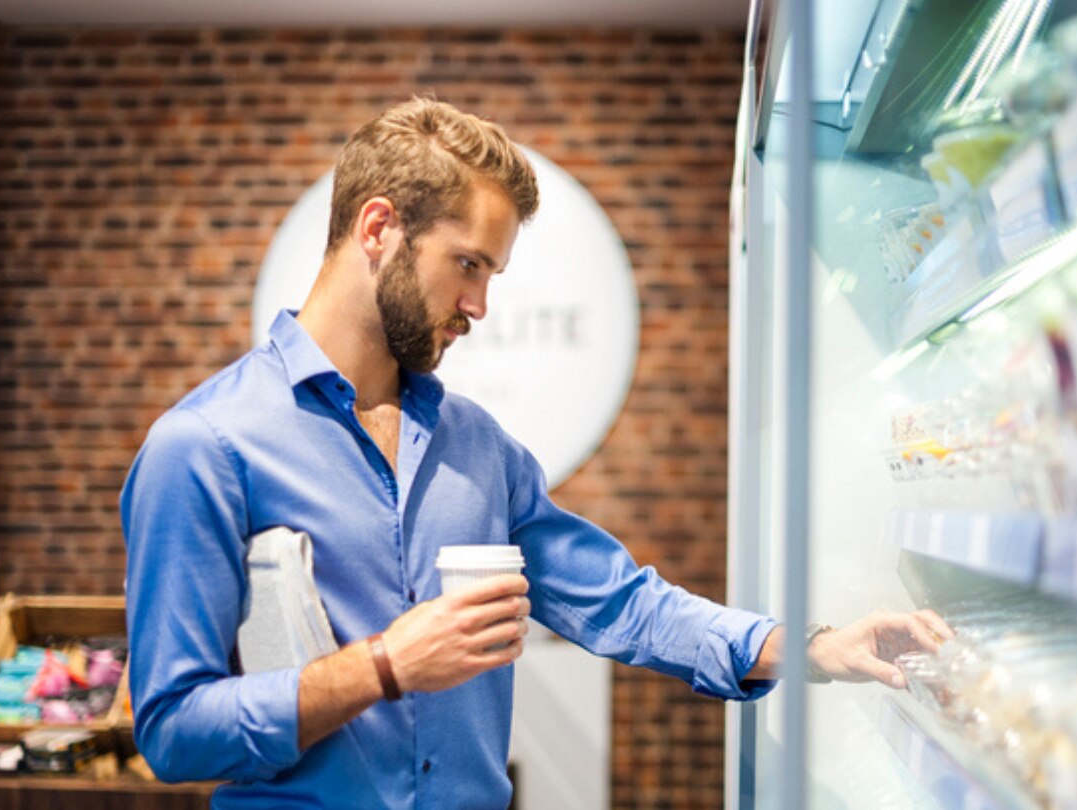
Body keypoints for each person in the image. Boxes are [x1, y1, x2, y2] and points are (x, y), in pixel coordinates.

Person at [120, 98, 953, 809]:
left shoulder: (479, 448)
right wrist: (383, 666)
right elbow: (174, 732)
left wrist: (806, 648)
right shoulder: (203, 448)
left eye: (493, 274)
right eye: (468, 264)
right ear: (379, 227)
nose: (479, 304)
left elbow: (625, 603)